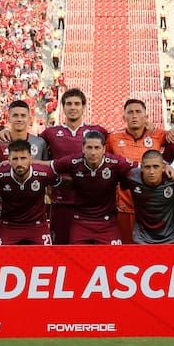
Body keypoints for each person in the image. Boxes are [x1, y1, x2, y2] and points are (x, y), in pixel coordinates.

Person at [38, 88, 108, 244]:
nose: (73, 107)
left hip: (91, 204)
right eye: (69, 104)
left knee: (87, 252)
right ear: (63, 107)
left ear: (84, 107)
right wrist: (6, 133)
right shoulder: (51, 133)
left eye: (77, 104)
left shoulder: (98, 131)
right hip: (61, 201)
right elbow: (31, 146)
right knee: (61, 250)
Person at [51, 131, 133, 244]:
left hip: (108, 222)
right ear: (83, 149)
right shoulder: (74, 162)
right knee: (76, 259)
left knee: (114, 258)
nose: (93, 152)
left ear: (104, 149)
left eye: (97, 148)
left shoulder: (115, 163)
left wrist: (165, 168)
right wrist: (28, 164)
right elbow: (49, 167)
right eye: (89, 147)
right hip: (81, 221)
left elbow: (141, 168)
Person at [106, 99, 167, 243]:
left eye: (138, 112)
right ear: (124, 117)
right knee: (126, 248)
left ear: (146, 116)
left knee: (151, 249)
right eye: (130, 112)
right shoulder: (113, 138)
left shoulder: (159, 135)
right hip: (124, 205)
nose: (134, 116)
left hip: (152, 204)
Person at [0, 139, 59, 245]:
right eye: (15, 159)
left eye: (23, 158)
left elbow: (60, 187)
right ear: (9, 160)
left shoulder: (44, 173)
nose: (19, 163)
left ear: (30, 159)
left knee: (45, 260)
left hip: (37, 226)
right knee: (0, 259)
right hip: (8, 226)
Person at [121, 149, 174, 244]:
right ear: (141, 168)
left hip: (171, 238)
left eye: (156, 167)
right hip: (142, 239)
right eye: (147, 167)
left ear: (163, 167)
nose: (151, 171)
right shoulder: (132, 177)